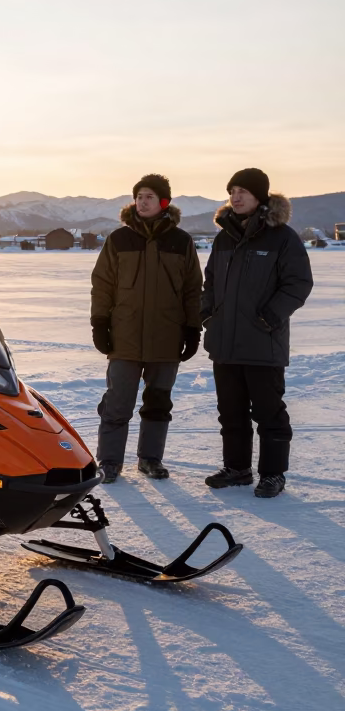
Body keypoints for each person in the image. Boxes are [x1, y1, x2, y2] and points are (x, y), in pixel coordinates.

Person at [201, 168, 313, 498]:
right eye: (232, 191)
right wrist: (209, 314)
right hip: (225, 342)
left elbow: (298, 283)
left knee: (268, 412)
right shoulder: (224, 237)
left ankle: (273, 474)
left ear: (260, 197)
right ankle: (237, 469)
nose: (235, 197)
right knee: (230, 411)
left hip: (263, 341)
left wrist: (270, 316)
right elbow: (210, 282)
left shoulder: (282, 237)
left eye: (243, 191)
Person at [90, 174, 203, 484]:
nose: (143, 201)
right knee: (117, 402)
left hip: (167, 337)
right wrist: (100, 322)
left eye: (150, 196)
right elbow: (102, 285)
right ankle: (110, 461)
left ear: (163, 202)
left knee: (157, 403)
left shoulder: (181, 242)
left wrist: (193, 328)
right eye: (139, 195)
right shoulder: (119, 239)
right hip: (124, 336)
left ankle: (150, 459)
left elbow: (193, 288)